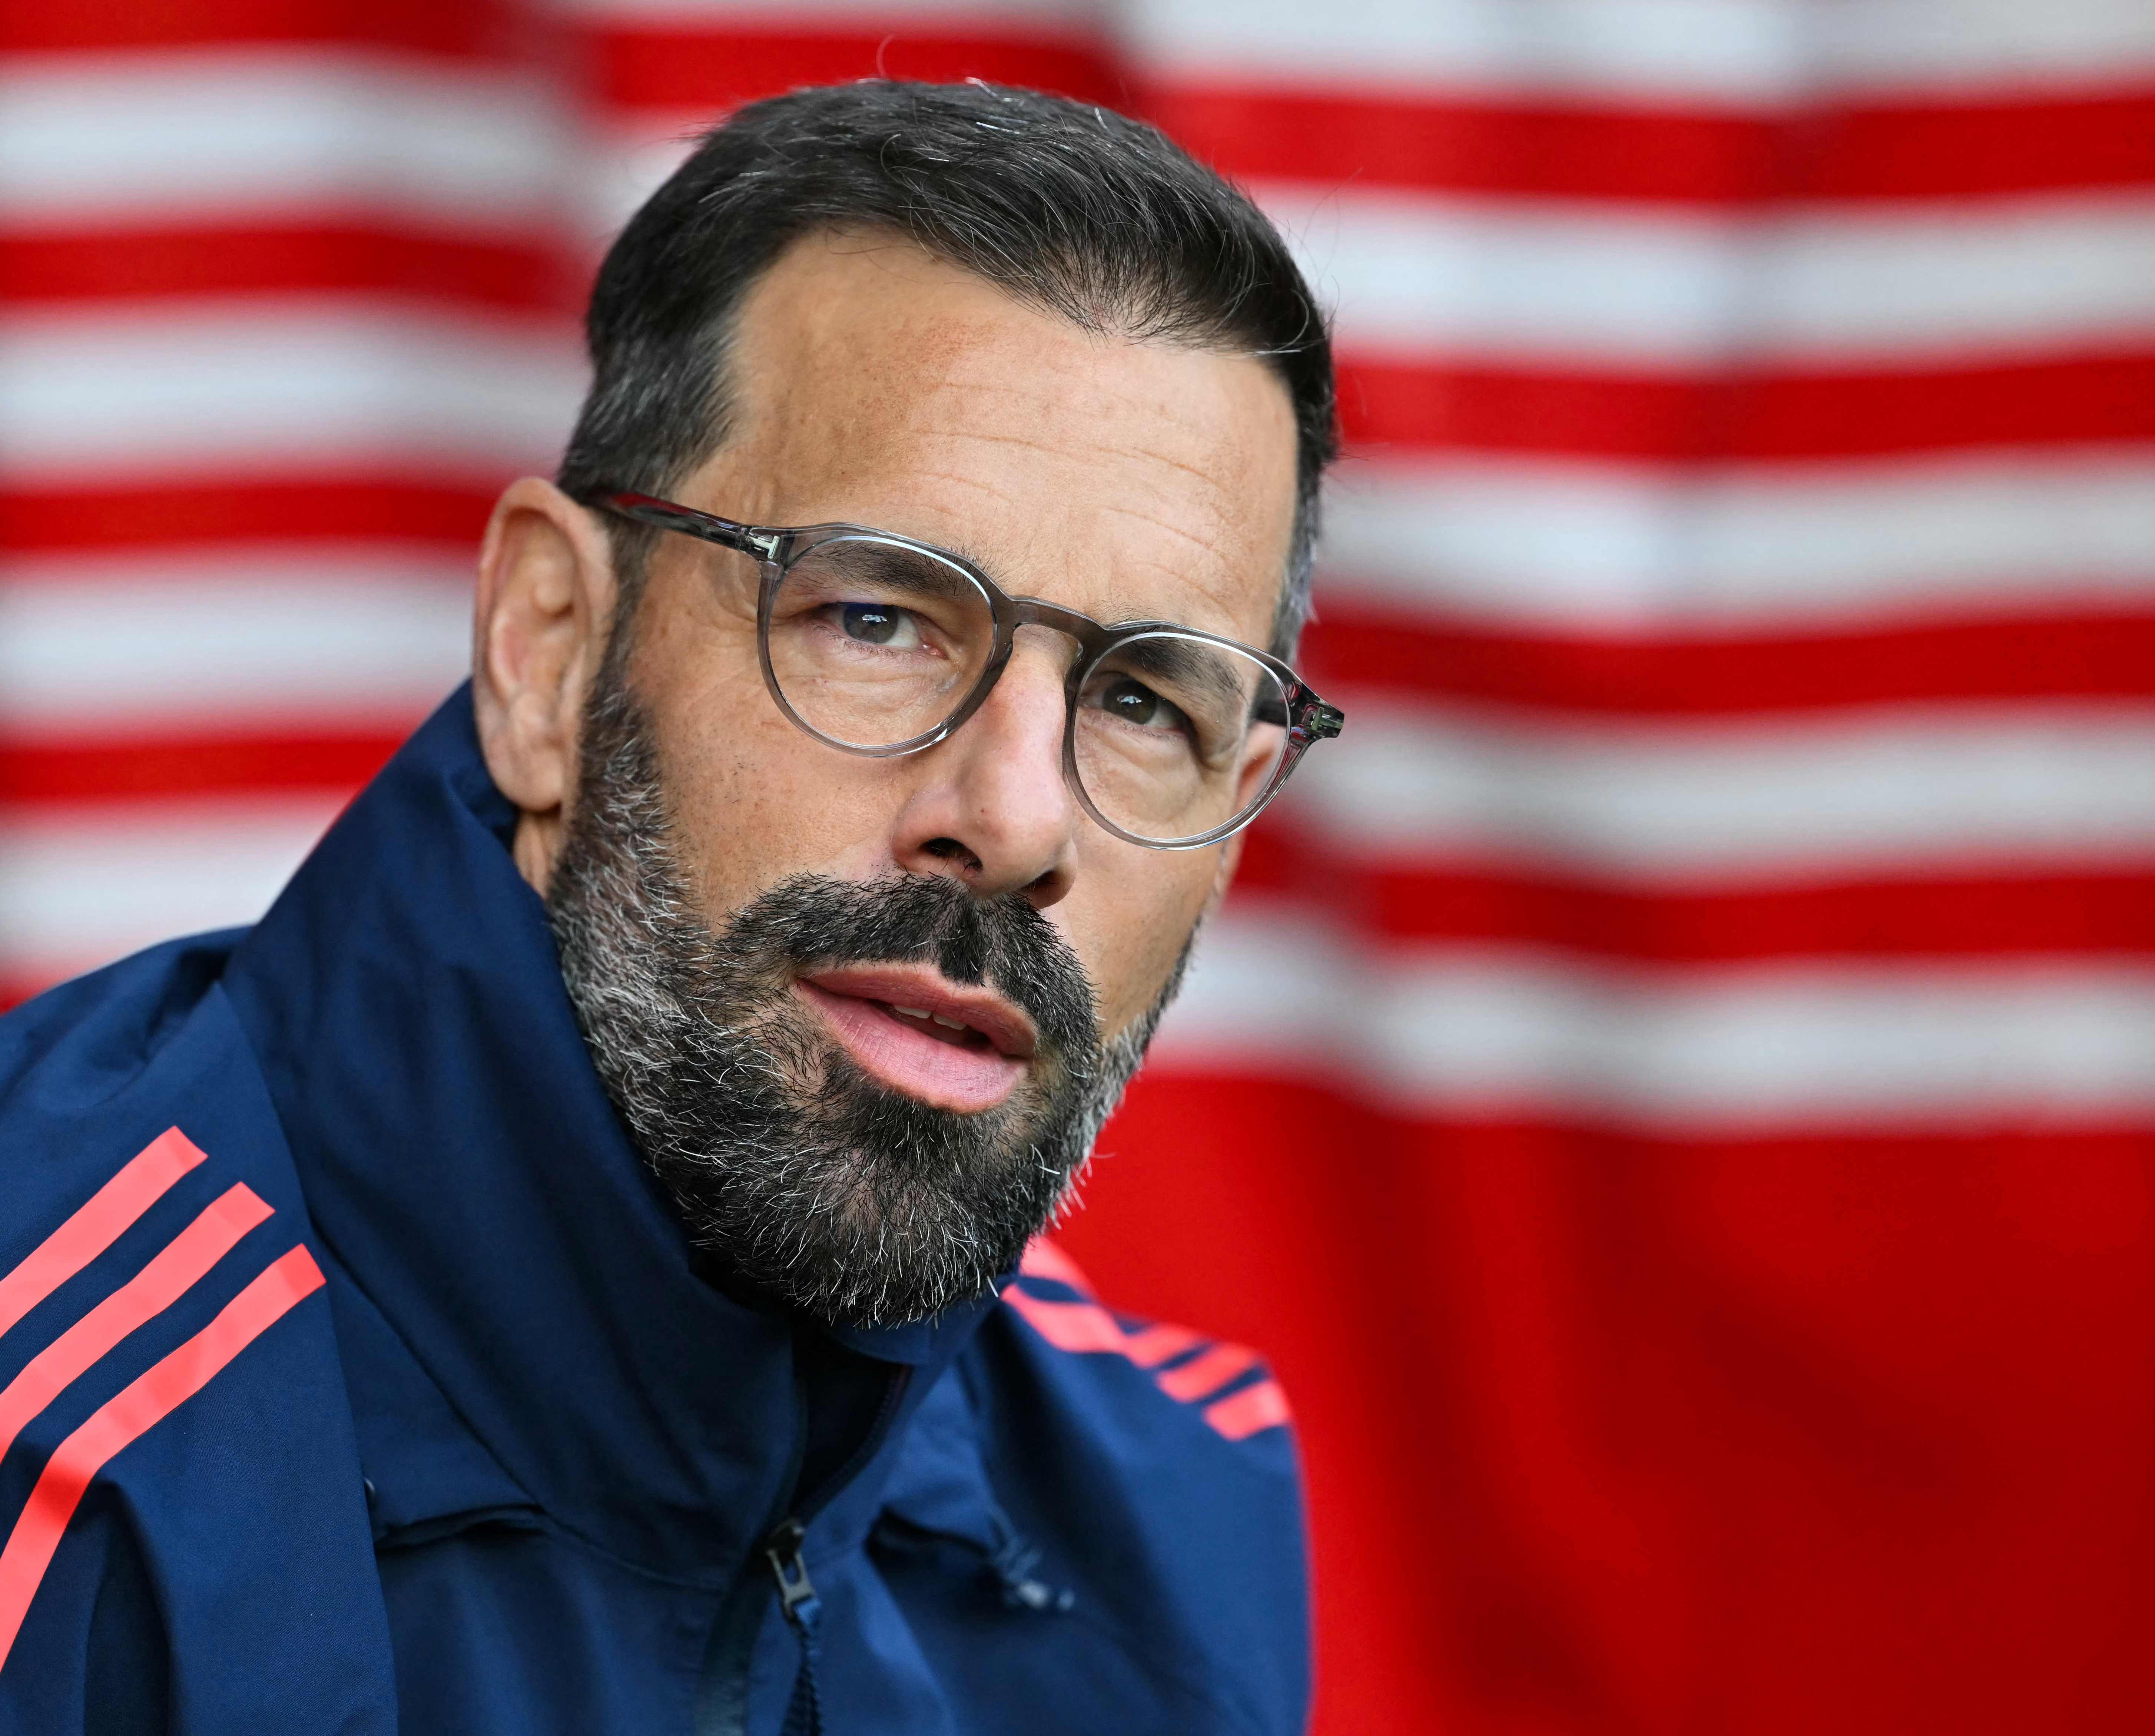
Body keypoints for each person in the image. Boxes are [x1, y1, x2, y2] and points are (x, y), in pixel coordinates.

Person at [0, 78, 1342, 1734]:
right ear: (550, 648)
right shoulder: (50, 1433)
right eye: (874, 615)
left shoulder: (1163, 1519)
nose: (1011, 819)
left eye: (1147, 702)